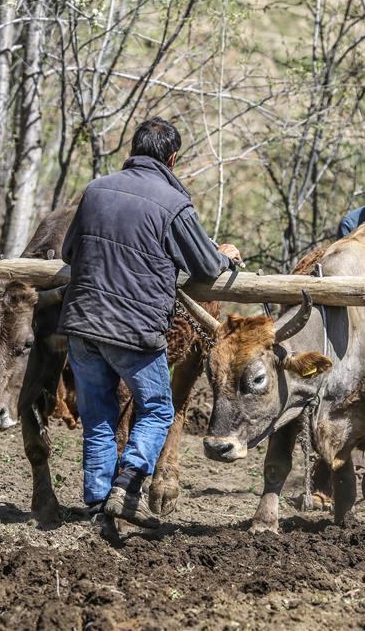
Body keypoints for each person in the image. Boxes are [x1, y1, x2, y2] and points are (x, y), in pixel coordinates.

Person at [58, 117, 242, 525]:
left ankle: (98, 506)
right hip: (134, 329)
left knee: (98, 417)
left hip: (82, 323)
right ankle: (127, 487)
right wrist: (225, 255)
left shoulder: (94, 191)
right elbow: (205, 266)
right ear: (172, 158)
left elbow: (69, 253)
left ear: (133, 150)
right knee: (158, 408)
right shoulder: (173, 204)